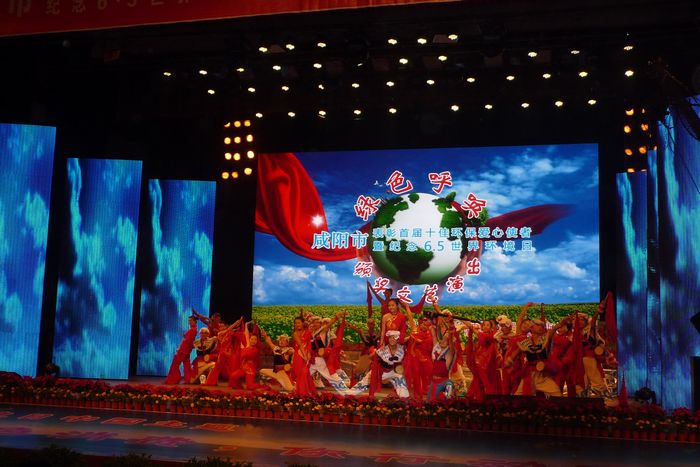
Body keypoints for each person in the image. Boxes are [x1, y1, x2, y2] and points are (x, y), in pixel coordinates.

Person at [509, 316, 570, 397]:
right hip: (529, 375)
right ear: (531, 328)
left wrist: (560, 324)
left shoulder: (545, 339)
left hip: (543, 376)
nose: (541, 327)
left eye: (542, 326)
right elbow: (514, 355)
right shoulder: (526, 342)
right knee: (519, 396)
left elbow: (552, 330)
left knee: (557, 394)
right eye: (537, 325)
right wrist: (508, 363)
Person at [349, 330, 410, 399]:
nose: (391, 340)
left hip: (394, 371)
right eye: (390, 338)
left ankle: (405, 399)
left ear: (397, 340)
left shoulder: (402, 349)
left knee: (401, 381)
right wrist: (376, 352)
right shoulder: (383, 349)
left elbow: (405, 360)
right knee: (365, 382)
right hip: (380, 371)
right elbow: (370, 357)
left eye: (394, 338)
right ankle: (349, 395)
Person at [228, 321, 267, 390]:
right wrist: (246, 325)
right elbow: (246, 334)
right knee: (233, 376)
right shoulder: (247, 345)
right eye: (252, 339)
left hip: (250, 369)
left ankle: (264, 386)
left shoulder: (255, 350)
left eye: (255, 339)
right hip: (243, 368)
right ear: (249, 339)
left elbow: (245, 355)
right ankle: (240, 387)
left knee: (250, 386)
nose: (253, 341)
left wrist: (243, 349)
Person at [164, 315, 197, 385]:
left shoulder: (192, 330)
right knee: (186, 365)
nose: (189, 322)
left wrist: (180, 348)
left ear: (195, 321)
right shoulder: (194, 329)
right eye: (189, 321)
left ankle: (174, 379)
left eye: (191, 320)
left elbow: (186, 341)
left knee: (175, 363)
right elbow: (189, 341)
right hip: (187, 350)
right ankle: (187, 380)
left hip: (183, 350)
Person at [291, 315, 317, 396]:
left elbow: (309, 344)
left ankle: (307, 392)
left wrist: (308, 354)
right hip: (299, 356)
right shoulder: (295, 334)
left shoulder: (308, 332)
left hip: (306, 355)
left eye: (299, 323)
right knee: (301, 374)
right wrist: (305, 356)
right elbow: (300, 345)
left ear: (303, 323)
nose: (297, 324)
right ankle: (301, 393)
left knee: (305, 374)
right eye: (295, 323)